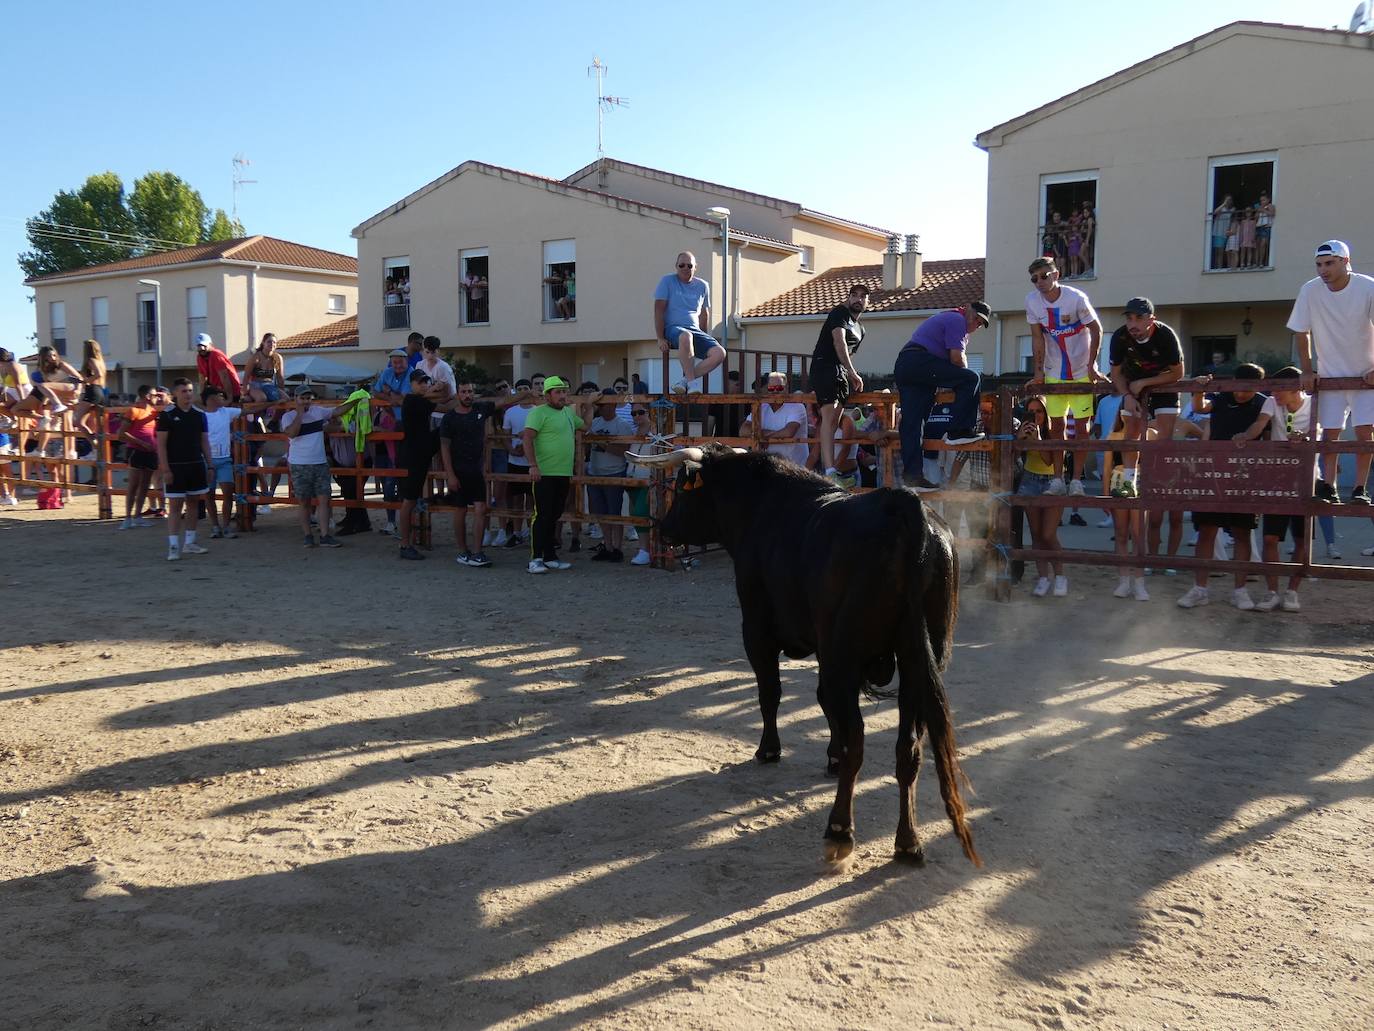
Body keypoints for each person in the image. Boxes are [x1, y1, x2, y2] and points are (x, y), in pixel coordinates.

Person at [1289, 240, 1374, 505]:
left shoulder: (1368, 287)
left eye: (1329, 263)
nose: (1323, 270)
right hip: (1329, 376)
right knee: (1330, 433)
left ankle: (1360, 488)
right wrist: (1306, 370)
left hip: (1366, 376)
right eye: (1318, 265)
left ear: (1345, 262)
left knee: (1364, 432)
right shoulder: (1310, 290)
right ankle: (1329, 486)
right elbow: (1301, 331)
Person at [1177, 364, 1268, 610]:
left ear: (1257, 387)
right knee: (1206, 529)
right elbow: (1199, 407)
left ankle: (1240, 591)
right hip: (1213, 472)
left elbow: (1263, 431)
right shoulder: (1221, 396)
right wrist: (1197, 389)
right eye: (1238, 387)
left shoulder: (1263, 403)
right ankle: (1200, 589)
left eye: (1247, 390)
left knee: (1242, 532)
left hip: (1245, 475)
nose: (1240, 394)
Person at [1026, 256, 1104, 497]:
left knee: (1082, 427)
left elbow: (1096, 329)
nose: (1039, 282)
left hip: (1081, 371)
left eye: (1044, 276)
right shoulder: (1031, 301)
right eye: (1034, 278)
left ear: (1056, 275)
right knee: (1056, 425)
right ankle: (1058, 480)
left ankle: (1077, 481)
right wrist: (1038, 372)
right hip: (1054, 371)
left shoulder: (1076, 297)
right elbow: (1037, 338)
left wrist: (1092, 366)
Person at [893, 302, 990, 491]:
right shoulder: (957, 320)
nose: (976, 324)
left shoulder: (949, 318)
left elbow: (952, 361)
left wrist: (950, 380)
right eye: (977, 318)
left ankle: (913, 476)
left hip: (907, 365)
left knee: (912, 423)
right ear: (968, 309)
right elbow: (956, 359)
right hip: (919, 362)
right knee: (971, 378)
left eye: (980, 323)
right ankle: (959, 430)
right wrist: (957, 381)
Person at [1240, 366, 1312, 612]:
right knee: (1270, 537)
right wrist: (1246, 436)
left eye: (1280, 388)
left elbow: (1324, 438)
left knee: (1302, 539)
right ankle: (1272, 592)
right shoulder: (1271, 403)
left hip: (1306, 478)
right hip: (1277, 478)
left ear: (1296, 388)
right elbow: (1259, 425)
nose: (1274, 393)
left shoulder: (1316, 404)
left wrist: (1306, 438)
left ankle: (1292, 592)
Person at [1107, 297, 1184, 498]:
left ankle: (1161, 479)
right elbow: (1115, 374)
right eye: (1129, 319)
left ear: (1151, 319)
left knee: (1164, 435)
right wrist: (1128, 395)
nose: (1133, 324)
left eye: (1138, 318)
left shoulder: (1166, 335)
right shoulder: (1120, 337)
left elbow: (1178, 373)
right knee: (1130, 431)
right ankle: (1129, 481)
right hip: (1132, 386)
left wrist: (1144, 383)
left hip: (1164, 383)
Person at [521, 376, 597, 573]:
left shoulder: (568, 413)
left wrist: (589, 406)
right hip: (544, 473)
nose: (563, 395)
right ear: (548, 396)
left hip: (563, 473)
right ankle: (535, 559)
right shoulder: (538, 413)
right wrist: (532, 465)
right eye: (558, 392)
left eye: (564, 391)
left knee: (554, 515)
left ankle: (549, 556)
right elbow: (527, 438)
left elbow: (586, 427)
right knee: (542, 515)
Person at [438, 380, 510, 567]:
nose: (467, 395)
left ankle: (478, 552)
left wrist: (528, 395)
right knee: (460, 510)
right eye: (463, 392)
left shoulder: (481, 409)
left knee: (480, 508)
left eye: (470, 391)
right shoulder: (449, 418)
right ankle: (462, 551)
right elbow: (444, 447)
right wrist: (450, 475)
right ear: (458, 394)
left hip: (476, 470)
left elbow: (504, 401)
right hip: (458, 470)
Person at [280, 388, 352, 549]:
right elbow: (292, 433)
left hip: (319, 462)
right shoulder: (288, 416)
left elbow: (338, 411)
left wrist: (356, 400)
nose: (306, 401)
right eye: (302, 398)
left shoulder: (318, 411)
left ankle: (325, 535)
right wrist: (299, 414)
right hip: (299, 464)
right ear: (295, 398)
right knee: (304, 502)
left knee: (324, 501)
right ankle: (308, 535)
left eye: (308, 398)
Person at [811, 284, 869, 483]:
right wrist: (853, 372)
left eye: (863, 296)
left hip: (841, 371)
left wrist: (849, 373)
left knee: (834, 420)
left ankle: (833, 470)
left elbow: (849, 353)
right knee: (829, 417)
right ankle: (830, 471)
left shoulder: (861, 329)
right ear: (848, 297)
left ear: (868, 302)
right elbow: (839, 342)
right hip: (826, 366)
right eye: (854, 295)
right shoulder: (840, 312)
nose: (858, 299)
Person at [1016, 397, 1070, 597]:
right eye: (1031, 411)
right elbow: (1014, 455)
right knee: (1037, 534)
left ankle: (1060, 576)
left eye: (1039, 411)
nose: (1035, 415)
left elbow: (1049, 461)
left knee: (1048, 534)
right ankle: (1043, 578)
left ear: (1046, 413)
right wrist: (1019, 438)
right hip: (1030, 480)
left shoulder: (1053, 432)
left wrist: (1037, 441)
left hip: (1051, 482)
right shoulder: (1025, 429)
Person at [155, 379, 212, 561]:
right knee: (175, 506)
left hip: (195, 465)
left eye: (189, 390)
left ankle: (190, 542)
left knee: (193, 503)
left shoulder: (199, 415)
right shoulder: (167, 415)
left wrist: (209, 464)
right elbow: (161, 445)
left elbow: (204, 442)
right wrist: (165, 469)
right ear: (175, 394)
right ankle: (173, 546)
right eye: (183, 391)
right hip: (175, 467)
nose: (187, 394)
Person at [653, 251, 726, 393]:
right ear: (676, 266)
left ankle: (684, 381)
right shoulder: (667, 281)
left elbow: (704, 314)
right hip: (673, 329)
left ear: (695, 267)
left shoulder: (703, 285)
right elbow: (658, 310)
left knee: (720, 353)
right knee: (686, 336)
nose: (686, 268)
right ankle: (692, 384)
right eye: (682, 265)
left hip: (695, 331)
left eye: (689, 265)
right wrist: (660, 338)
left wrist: (704, 337)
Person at [395, 369, 449, 560]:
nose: (424, 384)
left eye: (426, 381)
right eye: (420, 382)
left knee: (450, 424)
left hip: (422, 448)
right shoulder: (411, 400)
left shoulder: (422, 400)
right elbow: (441, 397)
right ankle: (404, 544)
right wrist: (438, 388)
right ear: (412, 384)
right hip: (413, 455)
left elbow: (445, 400)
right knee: (408, 500)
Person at [585, 388, 636, 563]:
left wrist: (601, 443)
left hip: (614, 472)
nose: (605, 408)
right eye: (601, 405)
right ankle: (607, 546)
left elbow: (625, 451)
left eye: (608, 404)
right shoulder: (594, 422)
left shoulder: (623, 425)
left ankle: (618, 548)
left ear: (614, 404)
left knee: (614, 512)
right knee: (601, 513)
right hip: (594, 472)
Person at [371, 348, 412, 534]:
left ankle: (407, 522)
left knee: (405, 477)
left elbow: (404, 399)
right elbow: (376, 392)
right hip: (389, 423)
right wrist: (391, 397)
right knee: (388, 480)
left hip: (408, 424)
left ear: (406, 361)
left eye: (400, 362)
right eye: (394, 362)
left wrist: (390, 393)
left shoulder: (412, 375)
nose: (397, 365)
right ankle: (391, 522)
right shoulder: (387, 373)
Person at [116, 384, 161, 529]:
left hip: (150, 452)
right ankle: (128, 517)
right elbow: (121, 434)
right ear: (147, 396)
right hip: (136, 451)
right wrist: (141, 443)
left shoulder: (154, 412)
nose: (157, 398)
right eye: (155, 395)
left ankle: (137, 516)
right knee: (133, 485)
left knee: (145, 485)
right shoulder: (133, 411)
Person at [200, 386, 242, 539]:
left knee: (227, 494)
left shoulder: (226, 412)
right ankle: (215, 526)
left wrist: (271, 403)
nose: (223, 399)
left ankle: (225, 526)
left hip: (224, 459)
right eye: (219, 396)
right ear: (211, 399)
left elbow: (249, 411)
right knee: (209, 495)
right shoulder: (200, 416)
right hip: (206, 460)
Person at [743, 372, 809, 466]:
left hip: (795, 467)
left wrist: (763, 437)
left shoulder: (797, 406)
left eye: (779, 388)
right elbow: (743, 430)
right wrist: (765, 435)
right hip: (771, 466)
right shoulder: (761, 407)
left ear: (786, 388)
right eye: (771, 388)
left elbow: (788, 432)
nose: (775, 391)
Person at [501, 379, 538, 547]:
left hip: (532, 462)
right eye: (520, 388)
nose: (523, 391)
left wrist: (526, 448)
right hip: (514, 461)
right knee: (516, 500)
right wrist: (511, 449)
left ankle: (531, 532)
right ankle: (516, 533)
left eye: (526, 388)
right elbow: (505, 435)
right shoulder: (510, 412)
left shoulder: (538, 411)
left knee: (531, 500)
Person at [625, 402, 656, 566]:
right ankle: (646, 548)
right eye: (633, 413)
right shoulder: (632, 431)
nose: (637, 416)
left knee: (640, 513)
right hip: (633, 478)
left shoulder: (657, 431)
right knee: (637, 514)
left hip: (648, 479)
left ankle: (645, 550)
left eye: (640, 412)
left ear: (649, 412)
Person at [72, 338, 107, 438]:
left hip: (92, 391)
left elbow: (98, 374)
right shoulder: (101, 362)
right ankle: (97, 447)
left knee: (78, 422)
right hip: (100, 391)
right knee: (95, 423)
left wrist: (85, 381)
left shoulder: (91, 360)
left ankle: (94, 445)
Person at [194, 334, 242, 402]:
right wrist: (202, 396)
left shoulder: (216, 355)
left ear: (210, 344)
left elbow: (224, 377)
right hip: (217, 390)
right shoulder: (200, 357)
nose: (202, 348)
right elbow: (202, 378)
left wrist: (229, 398)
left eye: (204, 345)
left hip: (230, 391)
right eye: (199, 346)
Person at [243, 333, 285, 404]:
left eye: (274, 342)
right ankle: (259, 415)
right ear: (263, 343)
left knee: (285, 399)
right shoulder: (256, 357)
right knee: (262, 398)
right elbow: (246, 376)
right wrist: (245, 393)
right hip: (255, 385)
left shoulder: (278, 358)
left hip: (270, 385)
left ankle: (275, 415)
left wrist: (282, 391)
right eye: (269, 342)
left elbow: (280, 378)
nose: (272, 344)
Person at [1211, 194, 1234, 270]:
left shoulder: (1232, 210)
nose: (1228, 201)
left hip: (1225, 233)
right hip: (1218, 232)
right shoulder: (1222, 208)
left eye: (1230, 200)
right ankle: (1217, 268)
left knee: (1222, 252)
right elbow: (1215, 212)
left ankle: (1219, 268)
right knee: (1217, 252)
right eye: (1227, 199)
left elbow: (1232, 221)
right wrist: (1224, 204)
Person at [1255, 193, 1275, 267]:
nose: (1262, 202)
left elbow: (1272, 214)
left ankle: (1261, 262)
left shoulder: (1270, 206)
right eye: (1261, 200)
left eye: (1263, 200)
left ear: (1268, 200)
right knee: (1257, 245)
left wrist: (1263, 210)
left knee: (1263, 244)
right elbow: (1256, 218)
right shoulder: (1260, 207)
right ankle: (1256, 262)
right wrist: (1258, 211)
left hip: (1265, 227)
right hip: (1259, 226)